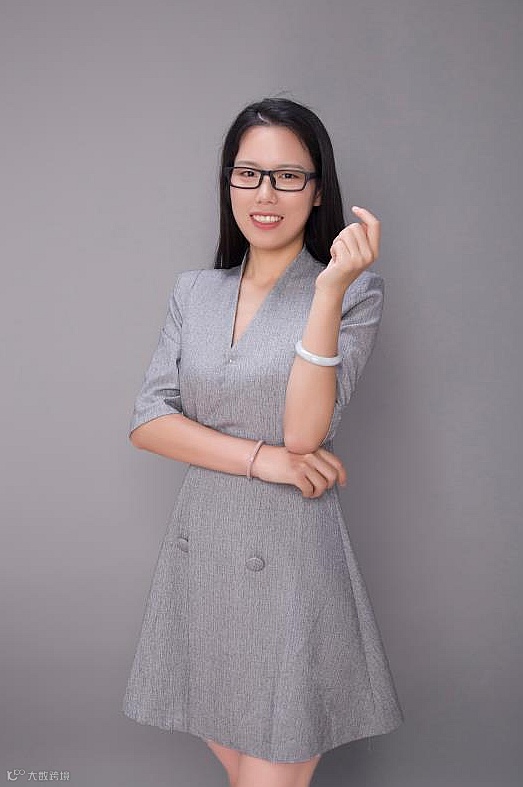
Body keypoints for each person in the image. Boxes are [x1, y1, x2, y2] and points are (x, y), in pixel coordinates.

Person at [121, 97, 404, 787]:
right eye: (248, 173)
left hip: (290, 558)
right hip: (202, 555)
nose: (265, 194)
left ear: (318, 189)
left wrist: (329, 290)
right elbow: (148, 420)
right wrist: (262, 459)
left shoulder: (353, 293)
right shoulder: (195, 292)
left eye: (288, 176)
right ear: (228, 183)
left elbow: (306, 433)